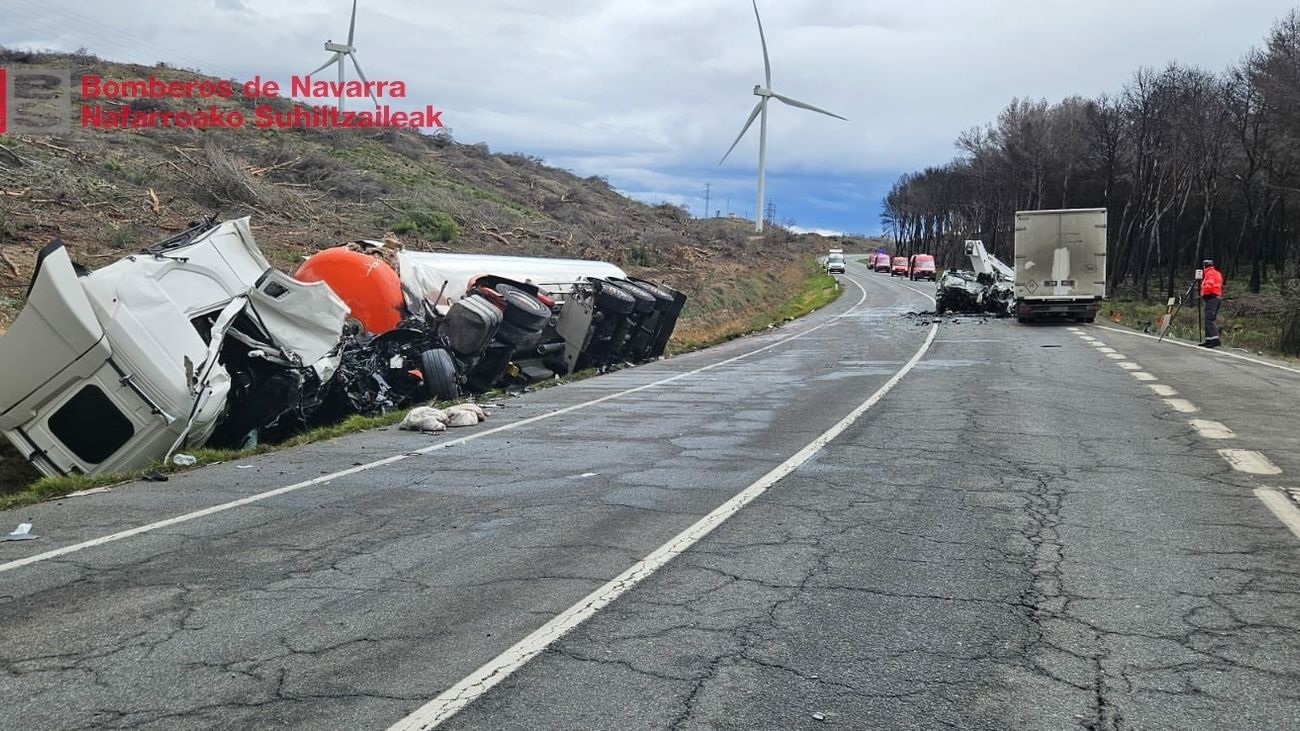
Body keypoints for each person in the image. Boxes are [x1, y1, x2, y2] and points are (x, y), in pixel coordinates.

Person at [1199, 259, 1223, 348]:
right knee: (1209, 319)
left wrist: (1203, 294)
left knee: (1209, 319)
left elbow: (1209, 284)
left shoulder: (1209, 273)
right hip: (1217, 297)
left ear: (1204, 266)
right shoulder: (1217, 273)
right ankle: (1209, 339)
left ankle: (1215, 339)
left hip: (1211, 298)